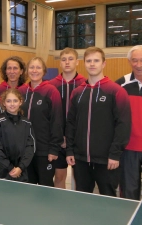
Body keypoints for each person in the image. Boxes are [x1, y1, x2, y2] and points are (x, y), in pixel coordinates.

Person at [66, 47, 131, 196]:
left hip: (107, 160)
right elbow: (71, 123)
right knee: (82, 198)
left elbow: (123, 124)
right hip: (81, 159)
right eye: (89, 61)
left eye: (96, 60)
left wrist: (115, 154)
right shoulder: (77, 92)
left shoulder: (116, 91)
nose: (92, 64)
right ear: (84, 63)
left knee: (108, 199)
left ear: (103, 64)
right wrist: (70, 149)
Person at [116, 45, 142, 200]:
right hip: (128, 149)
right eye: (134, 61)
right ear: (129, 62)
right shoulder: (120, 84)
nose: (139, 65)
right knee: (129, 194)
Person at [18, 57, 63, 187]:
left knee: (45, 187)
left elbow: (57, 121)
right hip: (25, 151)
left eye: (38, 67)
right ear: (27, 71)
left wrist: (54, 149)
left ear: (44, 71)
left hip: (44, 151)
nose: (34, 70)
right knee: (28, 186)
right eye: (31, 67)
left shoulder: (51, 91)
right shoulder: (21, 91)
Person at [49, 47, 86, 189]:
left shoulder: (85, 84)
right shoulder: (52, 85)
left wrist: (70, 138)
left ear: (77, 62)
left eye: (71, 59)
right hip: (57, 141)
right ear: (60, 63)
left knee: (80, 179)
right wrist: (60, 137)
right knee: (59, 177)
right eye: (64, 59)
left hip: (77, 140)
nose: (67, 62)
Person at [0, 89, 35, 182]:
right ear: (4, 103)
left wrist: (20, 167)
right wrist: (10, 167)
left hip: (21, 171)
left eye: (15, 101)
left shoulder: (26, 123)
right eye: (8, 101)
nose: (12, 104)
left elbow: (30, 147)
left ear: (20, 102)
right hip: (3, 171)